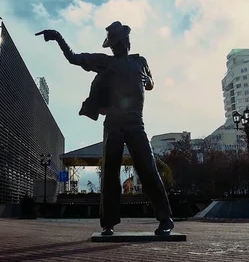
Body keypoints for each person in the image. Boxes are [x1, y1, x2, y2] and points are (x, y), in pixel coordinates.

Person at [35, 21, 174, 236]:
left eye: (120, 42)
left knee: (149, 169)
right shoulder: (105, 62)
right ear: (111, 46)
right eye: (114, 44)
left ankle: (165, 219)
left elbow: (151, 83)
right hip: (114, 125)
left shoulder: (140, 61)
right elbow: (74, 57)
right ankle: (108, 223)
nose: (118, 46)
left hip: (137, 124)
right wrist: (58, 37)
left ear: (127, 41)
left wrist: (148, 80)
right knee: (110, 174)